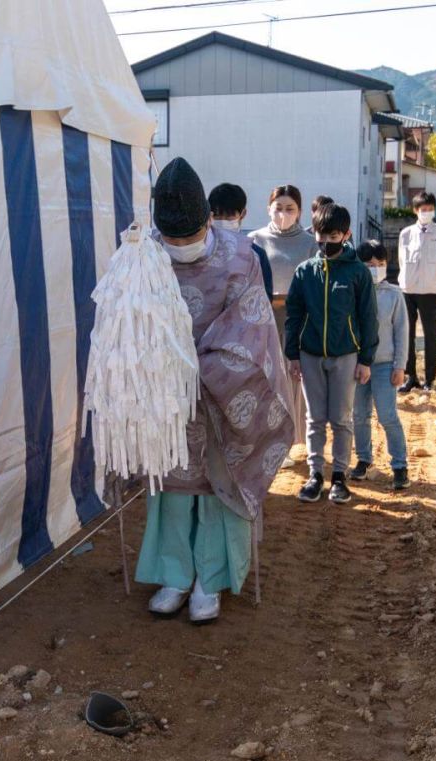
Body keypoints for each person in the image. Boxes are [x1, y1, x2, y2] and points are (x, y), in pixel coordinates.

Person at [136, 158, 294, 624]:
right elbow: (131, 322)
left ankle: (212, 577)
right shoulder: (144, 256)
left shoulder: (240, 256)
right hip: (167, 396)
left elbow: (251, 328)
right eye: (172, 240)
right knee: (172, 487)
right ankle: (174, 574)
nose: (180, 247)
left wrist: (200, 367)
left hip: (224, 393)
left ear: (208, 220)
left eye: (189, 238)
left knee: (215, 486)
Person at [284, 203, 377, 505]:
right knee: (314, 418)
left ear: (346, 234)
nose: (326, 243)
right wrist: (292, 354)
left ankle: (339, 476)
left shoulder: (358, 273)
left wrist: (366, 359)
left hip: (346, 355)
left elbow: (368, 317)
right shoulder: (305, 271)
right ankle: (315, 475)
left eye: (333, 236)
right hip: (310, 354)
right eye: (321, 236)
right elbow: (293, 314)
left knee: (340, 418)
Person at [248, 185, 316, 468]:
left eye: (290, 209)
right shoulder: (254, 239)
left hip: (296, 321)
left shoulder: (308, 243)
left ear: (299, 212)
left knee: (292, 379)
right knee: (265, 379)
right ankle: (266, 440)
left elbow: (313, 283)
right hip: (262, 320)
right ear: (268, 208)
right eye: (278, 208)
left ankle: (288, 441)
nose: (283, 214)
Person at [351, 241, 410, 490]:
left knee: (387, 415)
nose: (375, 269)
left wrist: (400, 365)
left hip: (385, 364)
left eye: (381, 264)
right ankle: (364, 460)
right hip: (356, 365)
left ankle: (399, 465)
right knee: (359, 416)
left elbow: (402, 332)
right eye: (370, 265)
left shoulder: (394, 294)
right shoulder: (353, 292)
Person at [397, 192, 436, 394]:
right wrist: (407, 280)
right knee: (407, 334)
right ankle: (411, 377)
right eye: (423, 209)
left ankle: (430, 379)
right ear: (415, 211)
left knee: (430, 335)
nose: (427, 213)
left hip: (430, 290)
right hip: (408, 290)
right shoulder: (406, 234)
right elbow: (402, 261)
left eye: (430, 209)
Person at [208, 182, 273, 300]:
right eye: (217, 216)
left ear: (243, 214)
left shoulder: (256, 254)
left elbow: (265, 297)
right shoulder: (204, 250)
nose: (222, 221)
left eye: (229, 217)